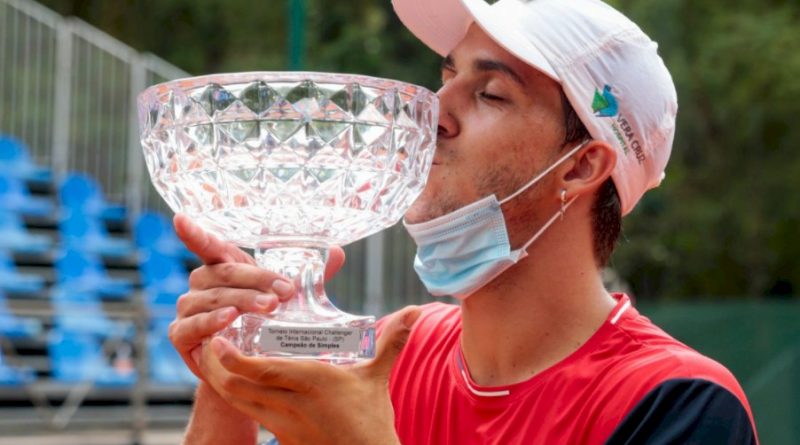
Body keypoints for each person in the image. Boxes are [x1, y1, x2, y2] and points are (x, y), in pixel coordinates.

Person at [167, 0, 759, 443]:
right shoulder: (394, 354)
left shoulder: (677, 403)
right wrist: (230, 383)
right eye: (448, 77)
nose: (434, 114)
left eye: (491, 94)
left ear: (580, 167)